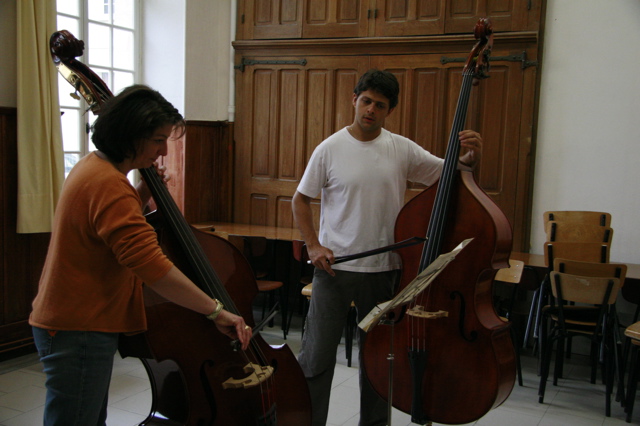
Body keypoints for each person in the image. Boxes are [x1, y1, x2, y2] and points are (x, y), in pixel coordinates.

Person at [29, 84, 252, 426]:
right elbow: (153, 268)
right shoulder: (108, 184)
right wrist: (216, 311)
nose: (163, 151)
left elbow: (108, 230)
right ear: (131, 135)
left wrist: (142, 191)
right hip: (79, 327)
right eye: (157, 140)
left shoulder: (97, 169)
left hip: (74, 324)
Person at [291, 69, 483, 426]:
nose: (370, 110)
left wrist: (469, 161)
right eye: (366, 101)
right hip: (335, 270)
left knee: (379, 363)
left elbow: (448, 176)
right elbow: (300, 200)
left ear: (388, 111)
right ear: (354, 100)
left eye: (379, 105)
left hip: (385, 272)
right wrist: (313, 245)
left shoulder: (401, 148)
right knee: (316, 360)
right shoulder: (329, 149)